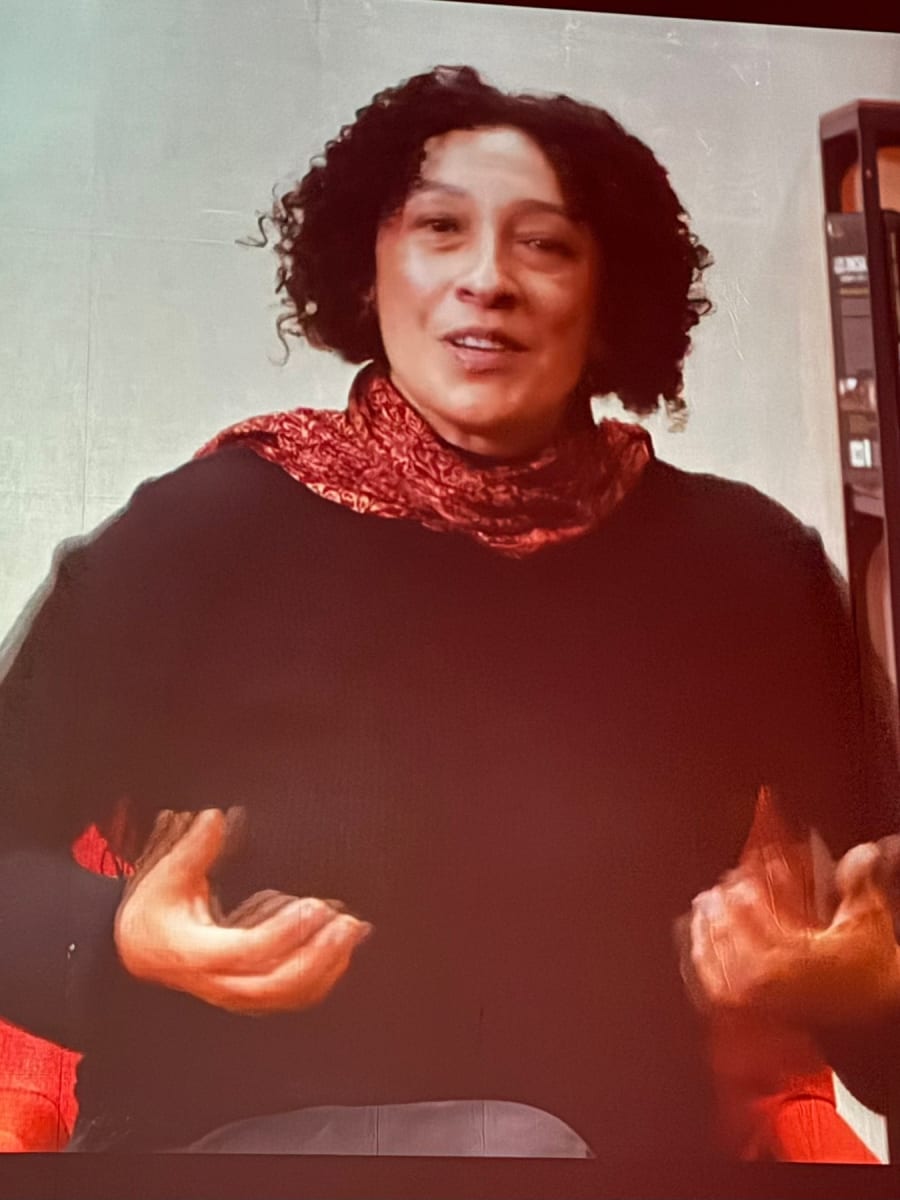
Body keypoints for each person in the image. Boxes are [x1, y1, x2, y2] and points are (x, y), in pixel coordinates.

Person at [0, 64, 896, 1159]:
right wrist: (116, 941)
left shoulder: (748, 570)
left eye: (547, 244)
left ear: (609, 295)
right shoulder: (200, 536)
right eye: (439, 228)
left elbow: (875, 922)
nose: (488, 279)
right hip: (221, 1148)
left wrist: (867, 983)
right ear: (367, 271)